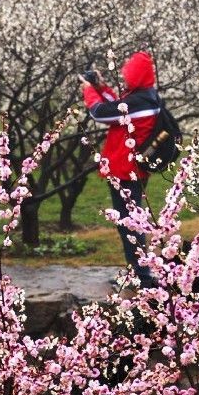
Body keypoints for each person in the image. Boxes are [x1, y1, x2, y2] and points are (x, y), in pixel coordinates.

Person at [83, 51, 162, 289]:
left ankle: (142, 276)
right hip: (129, 168)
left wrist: (88, 89)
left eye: (128, 73)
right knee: (128, 221)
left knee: (129, 221)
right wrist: (100, 86)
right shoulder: (144, 97)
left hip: (126, 170)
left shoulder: (140, 102)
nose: (125, 76)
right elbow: (114, 106)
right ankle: (137, 271)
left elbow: (100, 113)